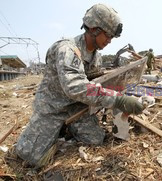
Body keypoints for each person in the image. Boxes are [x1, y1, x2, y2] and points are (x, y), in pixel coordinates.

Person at [15, 3, 144, 168]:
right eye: (108, 35)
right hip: (52, 107)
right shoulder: (67, 49)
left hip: (76, 106)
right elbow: (75, 87)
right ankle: (54, 127)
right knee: (29, 157)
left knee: (96, 139)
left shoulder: (95, 56)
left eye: (112, 37)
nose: (109, 41)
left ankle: (67, 128)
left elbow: (93, 82)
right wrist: (118, 100)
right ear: (94, 29)